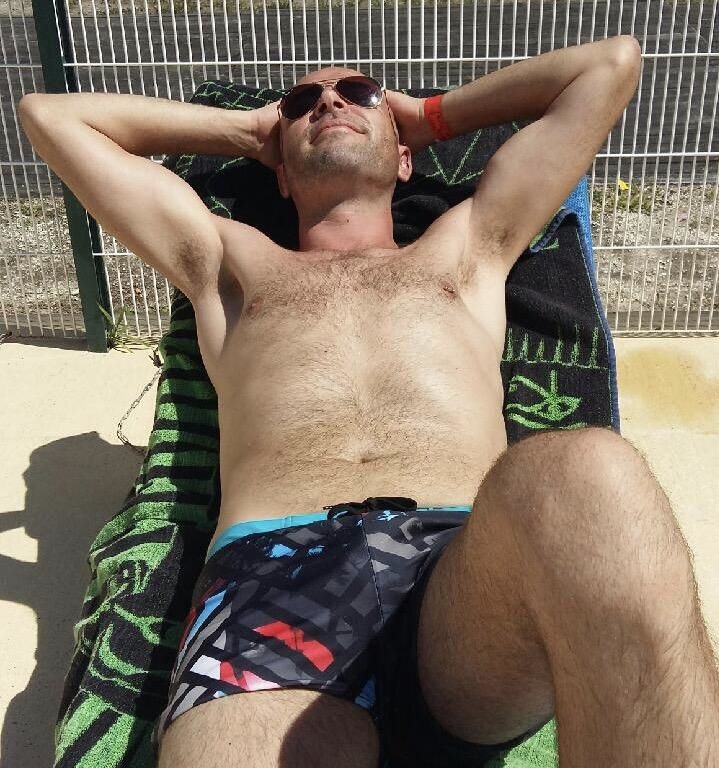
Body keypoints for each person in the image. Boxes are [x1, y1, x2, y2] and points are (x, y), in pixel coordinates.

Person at [20, 35, 719, 768]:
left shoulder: (466, 248)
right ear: (280, 171)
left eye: (359, 94)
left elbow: (608, 67)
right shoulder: (230, 265)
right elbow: (52, 117)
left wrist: (430, 115)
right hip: (274, 570)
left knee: (591, 467)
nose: (329, 101)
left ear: (405, 157)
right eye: (301, 102)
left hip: (462, 571)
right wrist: (251, 131)